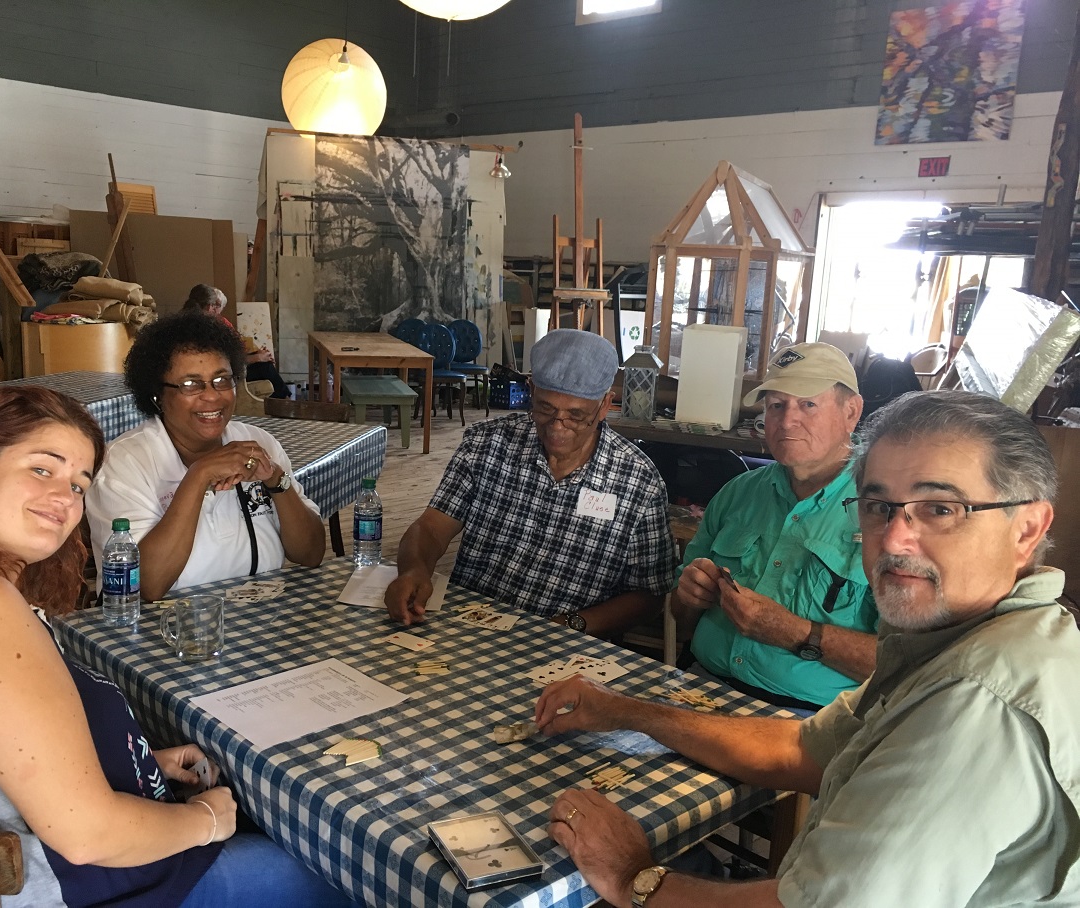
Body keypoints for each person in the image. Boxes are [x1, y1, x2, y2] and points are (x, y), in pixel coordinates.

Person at [535, 390, 1080, 907]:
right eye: (877, 506)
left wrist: (633, 876)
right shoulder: (954, 640)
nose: (892, 539)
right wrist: (619, 710)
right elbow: (801, 750)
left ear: (1027, 529)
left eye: (940, 509)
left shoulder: (979, 699)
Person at [0, 386, 356, 907]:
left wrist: (142, 760)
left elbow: (4, 750)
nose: (64, 498)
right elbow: (87, 835)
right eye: (42, 469)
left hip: (11, 873)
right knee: (337, 869)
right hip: (67, 891)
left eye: (80, 484)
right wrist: (206, 820)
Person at [386, 329, 677, 638]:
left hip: (567, 646)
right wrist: (414, 569)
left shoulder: (638, 481)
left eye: (576, 416)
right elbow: (431, 527)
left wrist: (571, 625)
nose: (558, 426)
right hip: (467, 627)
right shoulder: (488, 444)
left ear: (605, 405)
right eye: (545, 408)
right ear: (532, 389)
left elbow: (648, 595)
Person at [672, 342, 879, 711]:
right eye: (775, 406)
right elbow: (681, 621)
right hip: (700, 685)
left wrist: (794, 633)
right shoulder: (738, 492)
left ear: (851, 411)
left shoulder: (889, 511)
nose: (786, 422)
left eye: (807, 404)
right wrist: (688, 596)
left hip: (809, 718)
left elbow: (906, 662)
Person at [86, 309, 324, 600]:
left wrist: (276, 479)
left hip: (260, 624)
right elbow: (146, 586)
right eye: (190, 384)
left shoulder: (258, 442)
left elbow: (311, 553)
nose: (212, 396)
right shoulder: (124, 463)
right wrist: (199, 476)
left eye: (222, 380)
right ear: (156, 394)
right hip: (163, 633)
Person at [183, 283, 290, 399]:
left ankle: (282, 400)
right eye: (216, 306)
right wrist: (257, 358)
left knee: (265, 364)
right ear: (210, 306)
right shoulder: (207, 328)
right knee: (265, 368)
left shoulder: (186, 322)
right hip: (217, 374)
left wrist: (257, 355)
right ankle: (285, 401)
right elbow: (223, 360)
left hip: (206, 371)